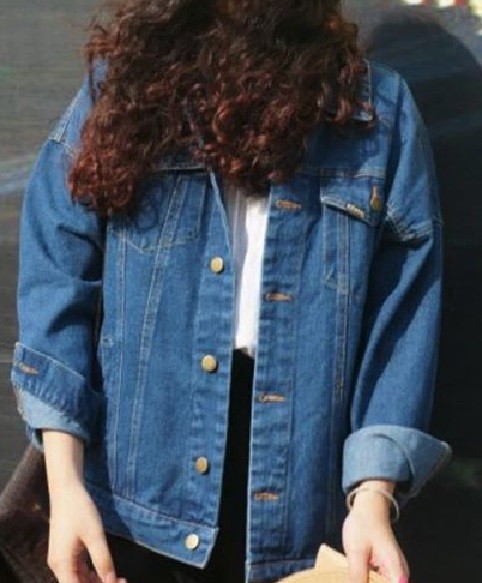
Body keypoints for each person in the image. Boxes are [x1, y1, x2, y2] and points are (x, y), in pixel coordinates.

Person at [9, 1, 451, 582]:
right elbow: (58, 272)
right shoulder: (128, 89)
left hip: (297, 501)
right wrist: (64, 487)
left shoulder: (377, 112)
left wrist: (372, 499)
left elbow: (402, 315)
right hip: (135, 502)